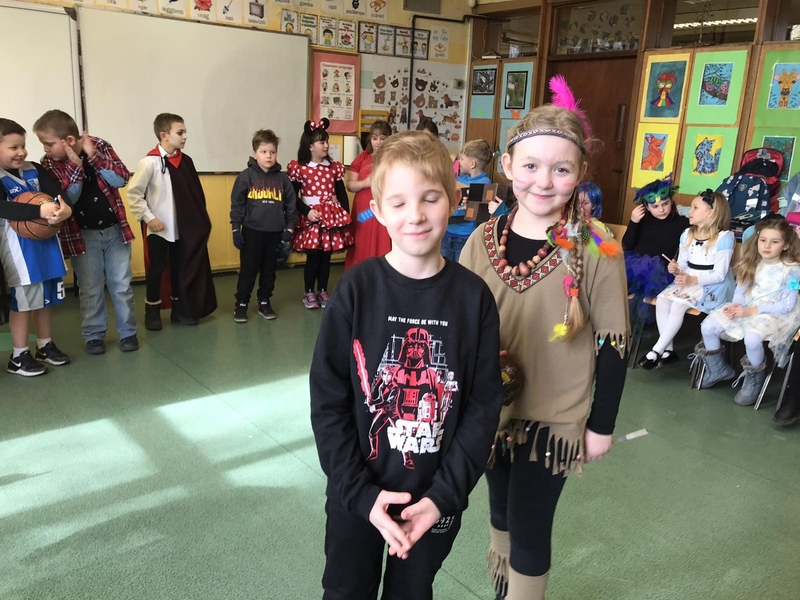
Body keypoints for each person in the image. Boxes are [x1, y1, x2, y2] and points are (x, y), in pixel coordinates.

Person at [309, 130, 504, 600]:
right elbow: (329, 401)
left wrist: (443, 497)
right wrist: (358, 492)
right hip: (357, 495)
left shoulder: (474, 299)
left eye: (430, 198)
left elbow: (482, 408)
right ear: (378, 210)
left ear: (454, 200)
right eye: (398, 203)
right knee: (345, 590)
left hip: (434, 500)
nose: (415, 215)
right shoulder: (356, 290)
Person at [459, 76, 629, 600]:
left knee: (530, 524)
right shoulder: (482, 239)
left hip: (554, 418)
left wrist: (601, 424)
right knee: (499, 512)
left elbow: (613, 342)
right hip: (489, 411)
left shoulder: (597, 244)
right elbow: (458, 326)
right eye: (530, 166)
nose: (544, 181)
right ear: (508, 167)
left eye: (561, 169)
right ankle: (503, 590)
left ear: (579, 175)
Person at [34, 109, 139, 355]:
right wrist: (76, 167)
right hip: (82, 235)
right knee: (90, 288)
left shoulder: (99, 145)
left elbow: (121, 179)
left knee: (121, 285)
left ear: (69, 140)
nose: (45, 149)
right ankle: (94, 335)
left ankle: (128, 332)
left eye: (49, 143)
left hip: (115, 230)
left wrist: (93, 156)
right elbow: (67, 199)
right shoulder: (48, 163)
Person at [126, 113, 217, 330]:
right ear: (164, 135)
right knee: (157, 268)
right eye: (180, 132)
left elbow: (195, 196)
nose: (185, 136)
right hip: (159, 229)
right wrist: (150, 218)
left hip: (183, 229)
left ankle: (181, 309)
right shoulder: (149, 163)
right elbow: (133, 194)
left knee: (180, 267)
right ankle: (152, 310)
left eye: (185, 132)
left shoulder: (186, 162)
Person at [695, 218, 800, 405]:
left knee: (752, 337)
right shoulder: (751, 261)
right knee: (708, 326)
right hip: (747, 307)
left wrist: (751, 310)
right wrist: (736, 305)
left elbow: (786, 306)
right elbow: (740, 291)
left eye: (775, 242)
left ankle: (754, 379)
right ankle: (718, 369)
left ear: (785, 245)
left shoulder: (792, 270)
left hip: (774, 313)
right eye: (763, 240)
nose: (767, 246)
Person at [0, 119, 73, 376]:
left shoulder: (36, 169)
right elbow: (4, 207)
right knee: (23, 303)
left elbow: (59, 195)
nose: (21, 152)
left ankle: (44, 345)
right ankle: (19, 356)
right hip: (20, 251)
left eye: (23, 145)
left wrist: (64, 209)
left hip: (48, 244)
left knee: (45, 299)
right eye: (13, 147)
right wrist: (38, 211)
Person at [638, 189, 734, 370]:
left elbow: (720, 275)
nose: (689, 212)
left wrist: (692, 280)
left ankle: (657, 350)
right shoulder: (687, 234)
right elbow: (682, 264)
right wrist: (675, 269)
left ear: (710, 212)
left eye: (695, 208)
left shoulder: (724, 238)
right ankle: (668, 351)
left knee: (678, 305)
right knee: (663, 301)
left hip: (711, 285)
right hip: (689, 280)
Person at [230, 129, 297, 323]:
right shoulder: (246, 177)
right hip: (252, 233)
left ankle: (264, 301)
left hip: (275, 233)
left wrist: (289, 228)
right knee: (248, 271)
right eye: (264, 151)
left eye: (272, 152)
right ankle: (241, 303)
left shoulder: (283, 179)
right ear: (255, 153)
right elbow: (237, 205)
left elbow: (291, 205)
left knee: (269, 271)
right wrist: (236, 229)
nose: (268, 156)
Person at [288, 118, 352, 309]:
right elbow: (292, 196)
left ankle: (323, 290)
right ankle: (309, 292)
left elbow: (341, 193)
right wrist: (307, 212)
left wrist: (345, 217)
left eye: (326, 141)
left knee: (326, 257)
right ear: (310, 146)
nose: (326, 145)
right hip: (311, 219)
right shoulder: (300, 168)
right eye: (321, 142)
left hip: (330, 219)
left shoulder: (333, 168)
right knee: (313, 256)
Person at [623, 174, 689, 324]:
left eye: (665, 204)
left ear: (671, 201)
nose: (661, 209)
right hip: (632, 266)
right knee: (614, 284)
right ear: (646, 207)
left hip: (659, 271)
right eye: (655, 206)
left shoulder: (681, 223)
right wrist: (633, 222)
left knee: (643, 300)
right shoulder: (642, 221)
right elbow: (627, 245)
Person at [344, 119, 392, 270]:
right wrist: (365, 183)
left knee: (382, 241)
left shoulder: (394, 159)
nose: (378, 142)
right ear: (370, 139)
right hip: (364, 211)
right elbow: (350, 185)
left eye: (382, 138)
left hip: (384, 208)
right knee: (361, 241)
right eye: (375, 138)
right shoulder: (362, 158)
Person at [442, 139, 495, 262]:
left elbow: (485, 214)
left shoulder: (485, 184)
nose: (459, 162)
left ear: (472, 164)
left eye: (462, 159)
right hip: (447, 232)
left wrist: (470, 206)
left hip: (465, 236)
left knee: (461, 266)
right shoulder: (461, 178)